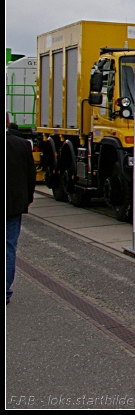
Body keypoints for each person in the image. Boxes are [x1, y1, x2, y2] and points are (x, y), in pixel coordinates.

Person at [6, 112, 36, 304]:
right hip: (13, 206)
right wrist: (27, 200)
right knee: (9, 247)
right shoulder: (22, 145)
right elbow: (30, 176)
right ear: (8, 122)